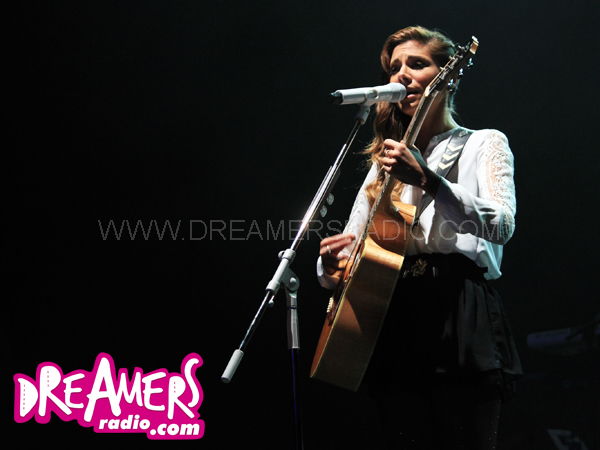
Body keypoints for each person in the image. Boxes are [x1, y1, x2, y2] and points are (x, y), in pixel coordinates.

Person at [316, 26, 522, 450]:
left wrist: (430, 181)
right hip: (394, 312)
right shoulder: (383, 164)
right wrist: (330, 265)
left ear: (448, 76)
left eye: (417, 63)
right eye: (395, 68)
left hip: (459, 307)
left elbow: (502, 226)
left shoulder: (483, 143)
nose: (402, 75)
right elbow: (352, 247)